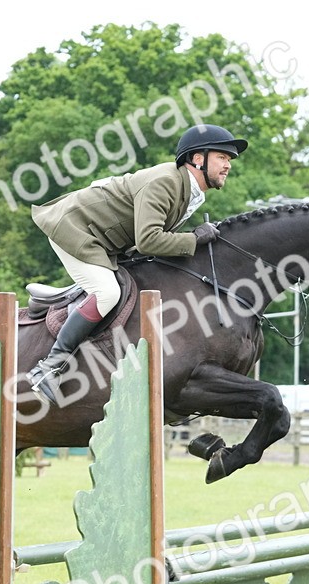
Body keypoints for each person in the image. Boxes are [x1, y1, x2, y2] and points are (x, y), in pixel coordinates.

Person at [25, 123, 248, 405]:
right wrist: (192, 239)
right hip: (74, 229)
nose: (228, 165)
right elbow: (148, 240)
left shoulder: (188, 191)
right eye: (222, 157)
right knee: (108, 293)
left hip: (104, 238)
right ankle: (48, 368)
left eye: (228, 160)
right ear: (197, 158)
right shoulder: (165, 181)